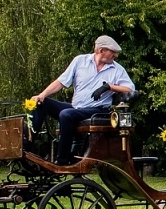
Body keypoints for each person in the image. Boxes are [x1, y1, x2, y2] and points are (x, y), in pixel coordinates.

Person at [31, 35, 136, 164]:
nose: (115, 55)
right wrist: (42, 95)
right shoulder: (80, 61)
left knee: (66, 114)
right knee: (41, 103)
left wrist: (108, 86)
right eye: (113, 52)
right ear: (101, 50)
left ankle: (63, 160)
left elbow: (130, 89)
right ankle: (29, 143)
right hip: (76, 108)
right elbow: (61, 82)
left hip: (97, 110)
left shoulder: (117, 69)